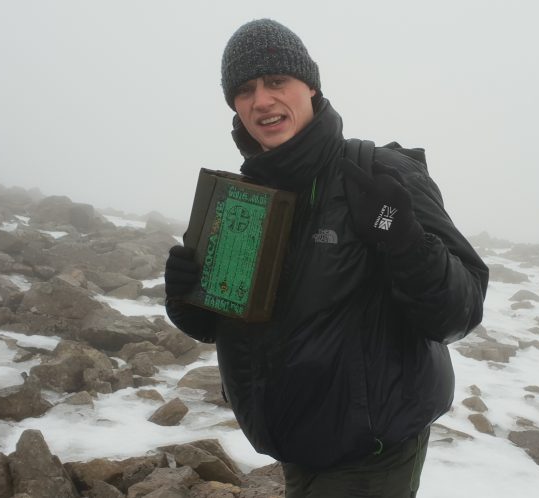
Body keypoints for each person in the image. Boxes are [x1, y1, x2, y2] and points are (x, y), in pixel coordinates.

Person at [163, 19, 489, 498]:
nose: (262, 100)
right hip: (295, 448)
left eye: (277, 81)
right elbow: (233, 324)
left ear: (310, 86)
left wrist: (405, 240)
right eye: (245, 89)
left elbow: (460, 311)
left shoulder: (378, 174)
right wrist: (188, 298)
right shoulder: (246, 197)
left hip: (371, 454)